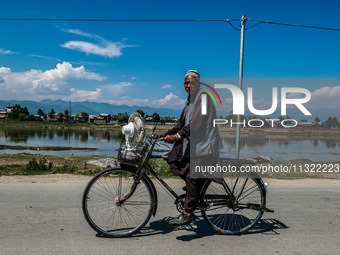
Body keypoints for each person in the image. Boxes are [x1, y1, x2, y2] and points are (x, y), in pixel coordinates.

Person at [156, 70, 223, 225]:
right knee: (173, 158)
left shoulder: (204, 98)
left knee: (191, 174)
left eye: (191, 82)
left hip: (205, 145)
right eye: (186, 83)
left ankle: (188, 213)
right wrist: (165, 133)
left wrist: (177, 136)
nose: (188, 85)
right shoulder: (189, 100)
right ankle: (195, 192)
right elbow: (181, 123)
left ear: (198, 83)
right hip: (195, 144)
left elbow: (197, 124)